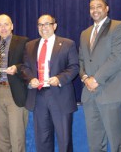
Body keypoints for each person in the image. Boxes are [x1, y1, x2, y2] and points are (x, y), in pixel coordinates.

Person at [11, 14, 79, 152]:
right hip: (39, 97)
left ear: (54, 26)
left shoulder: (67, 44)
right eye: (40, 25)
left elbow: (74, 67)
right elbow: (25, 67)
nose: (43, 27)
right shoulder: (30, 46)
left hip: (60, 96)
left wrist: (59, 78)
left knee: (64, 140)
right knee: (42, 140)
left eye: (47, 24)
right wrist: (30, 79)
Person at [79, 0, 121, 152]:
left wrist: (96, 79)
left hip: (112, 92)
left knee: (117, 142)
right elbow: (81, 60)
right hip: (89, 94)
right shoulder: (85, 33)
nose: (95, 10)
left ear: (106, 8)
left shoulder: (119, 27)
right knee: (94, 144)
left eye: (98, 6)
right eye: (91, 7)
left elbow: (117, 57)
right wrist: (85, 78)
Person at [0, 14, 29, 152]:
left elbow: (29, 64)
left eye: (6, 24)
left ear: (12, 26)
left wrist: (16, 68)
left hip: (15, 91)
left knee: (16, 134)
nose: (3, 27)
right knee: (1, 134)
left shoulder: (23, 41)